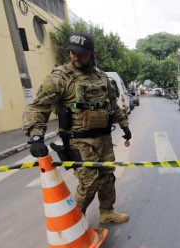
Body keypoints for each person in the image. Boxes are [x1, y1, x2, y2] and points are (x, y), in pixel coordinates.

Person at [22, 32, 132, 223]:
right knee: (89, 183)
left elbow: (112, 104)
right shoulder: (60, 77)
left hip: (103, 138)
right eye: (72, 52)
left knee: (107, 177)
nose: (75, 56)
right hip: (77, 140)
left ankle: (107, 211)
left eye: (81, 53)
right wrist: (36, 136)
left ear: (92, 53)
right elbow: (39, 107)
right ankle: (72, 222)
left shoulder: (102, 77)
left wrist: (124, 126)